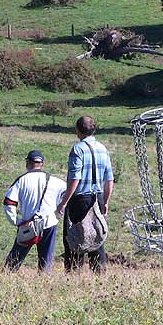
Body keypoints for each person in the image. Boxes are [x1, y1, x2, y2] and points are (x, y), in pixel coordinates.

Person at [57, 116, 114, 273]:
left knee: (75, 236)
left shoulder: (78, 149)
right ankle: (99, 273)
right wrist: (106, 202)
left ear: (77, 130)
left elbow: (75, 178)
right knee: (96, 235)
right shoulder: (103, 148)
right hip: (99, 197)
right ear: (94, 130)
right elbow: (109, 180)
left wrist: (64, 201)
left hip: (80, 199)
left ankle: (74, 273)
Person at [3, 150, 66, 272]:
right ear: (42, 163)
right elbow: (69, 193)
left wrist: (16, 221)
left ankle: (5, 277)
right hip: (49, 223)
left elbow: (9, 202)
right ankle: (44, 282)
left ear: (27, 162)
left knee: (13, 262)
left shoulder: (21, 180)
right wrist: (60, 209)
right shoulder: (55, 181)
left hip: (27, 224)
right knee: (45, 262)